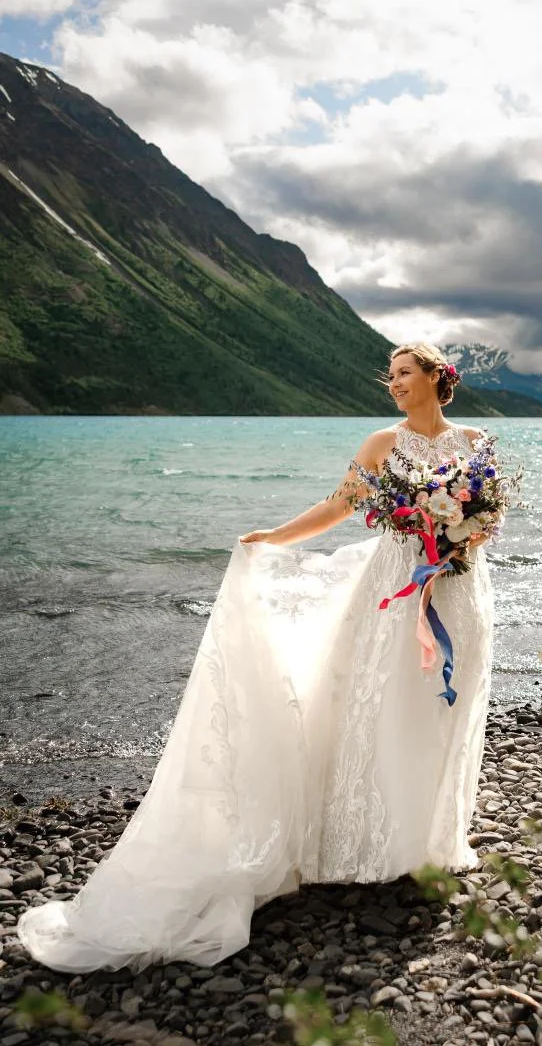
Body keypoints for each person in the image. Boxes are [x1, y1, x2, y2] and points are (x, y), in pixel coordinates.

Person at [16, 343, 501, 974]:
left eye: (406, 373)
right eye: (391, 376)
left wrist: (464, 533)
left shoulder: (475, 442)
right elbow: (340, 505)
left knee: (448, 706)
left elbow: (490, 514)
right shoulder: (383, 444)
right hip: (395, 590)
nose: (395, 385)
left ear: (438, 377)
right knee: (386, 708)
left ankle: (432, 838)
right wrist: (273, 536)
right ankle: (374, 844)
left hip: (460, 589)